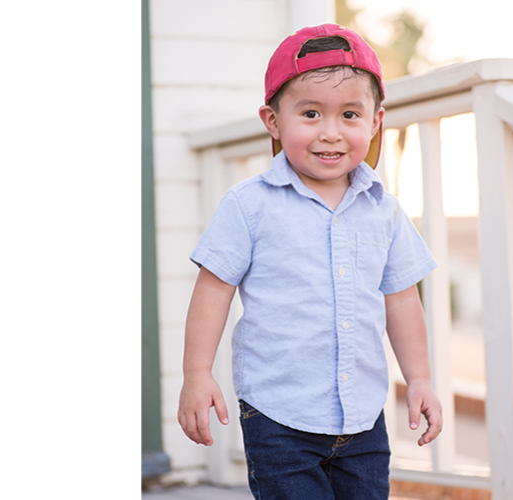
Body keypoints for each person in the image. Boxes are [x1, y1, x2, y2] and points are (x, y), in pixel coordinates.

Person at [178, 23, 442, 500]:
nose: (331, 132)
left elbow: (402, 300)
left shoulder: (384, 210)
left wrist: (419, 378)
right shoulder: (249, 205)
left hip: (364, 420)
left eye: (349, 114)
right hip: (279, 418)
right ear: (273, 121)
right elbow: (213, 289)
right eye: (311, 113)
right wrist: (197, 373)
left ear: (376, 121)